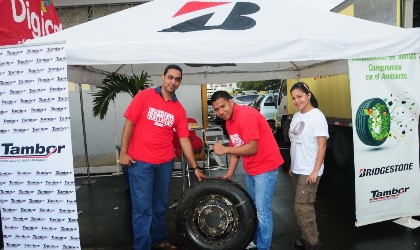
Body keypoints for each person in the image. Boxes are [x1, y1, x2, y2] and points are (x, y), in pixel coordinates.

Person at [118, 64, 208, 250]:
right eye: (170, 77)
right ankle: (142, 246)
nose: (173, 82)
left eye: (177, 79)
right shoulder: (144, 96)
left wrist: (195, 167)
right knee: (142, 209)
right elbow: (129, 124)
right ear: (163, 77)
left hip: (165, 163)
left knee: (160, 206)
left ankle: (160, 241)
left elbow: (184, 140)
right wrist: (123, 152)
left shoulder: (179, 109)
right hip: (140, 162)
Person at [209, 90, 284, 250]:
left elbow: (251, 148)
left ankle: (264, 247)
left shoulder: (245, 116)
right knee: (252, 207)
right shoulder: (229, 122)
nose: (221, 112)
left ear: (231, 101)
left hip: (266, 166)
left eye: (223, 106)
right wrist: (229, 173)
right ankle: (256, 240)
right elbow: (237, 147)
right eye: (216, 109)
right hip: (252, 167)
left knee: (263, 211)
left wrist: (225, 150)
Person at [288, 82, 328, 250]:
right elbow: (295, 143)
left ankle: (314, 244)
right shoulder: (297, 116)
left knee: (303, 207)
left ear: (308, 95)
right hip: (297, 168)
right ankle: (305, 239)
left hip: (309, 170)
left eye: (300, 96)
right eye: (294, 98)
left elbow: (322, 145)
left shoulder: (317, 116)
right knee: (300, 207)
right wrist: (291, 165)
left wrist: (315, 170)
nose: (297, 101)